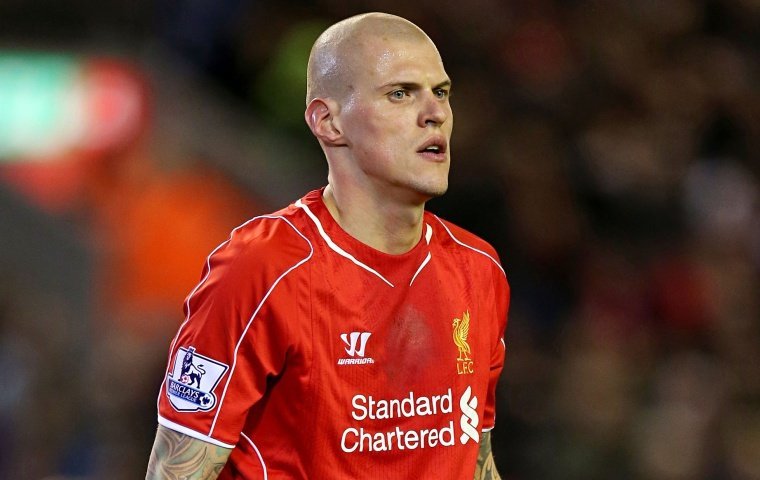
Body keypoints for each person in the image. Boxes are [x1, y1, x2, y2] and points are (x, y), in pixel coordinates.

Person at [146, 12, 509, 480]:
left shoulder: (478, 270)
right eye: (400, 93)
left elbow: (475, 459)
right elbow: (176, 469)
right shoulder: (262, 268)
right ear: (328, 122)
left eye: (440, 92)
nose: (434, 113)